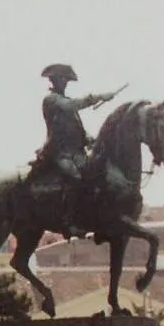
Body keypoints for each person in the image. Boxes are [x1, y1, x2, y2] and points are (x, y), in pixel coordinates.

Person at [37, 63, 119, 239]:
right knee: (74, 177)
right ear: (55, 80)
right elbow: (71, 106)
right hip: (58, 152)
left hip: (75, 152)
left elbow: (76, 128)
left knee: (96, 174)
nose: (65, 83)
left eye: (66, 80)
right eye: (63, 80)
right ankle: (67, 222)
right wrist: (99, 97)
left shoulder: (65, 101)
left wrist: (90, 139)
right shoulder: (52, 99)